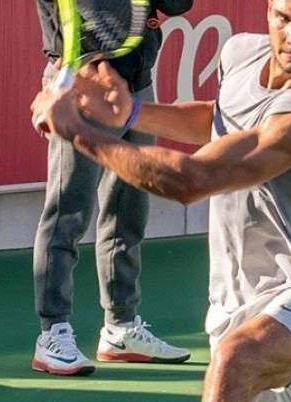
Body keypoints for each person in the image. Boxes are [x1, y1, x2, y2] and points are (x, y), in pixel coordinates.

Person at [33, 0, 291, 402]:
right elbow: (220, 119)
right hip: (235, 300)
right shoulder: (241, 54)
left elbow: (191, 180)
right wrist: (132, 112)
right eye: (283, 18)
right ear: (268, 12)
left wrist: (80, 132)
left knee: (235, 360)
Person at [30, 0, 194, 377]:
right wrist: (81, 72)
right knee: (67, 212)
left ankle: (121, 328)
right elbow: (72, 16)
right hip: (82, 83)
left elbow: (178, 5)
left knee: (128, 212)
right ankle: (52, 333)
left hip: (136, 85)